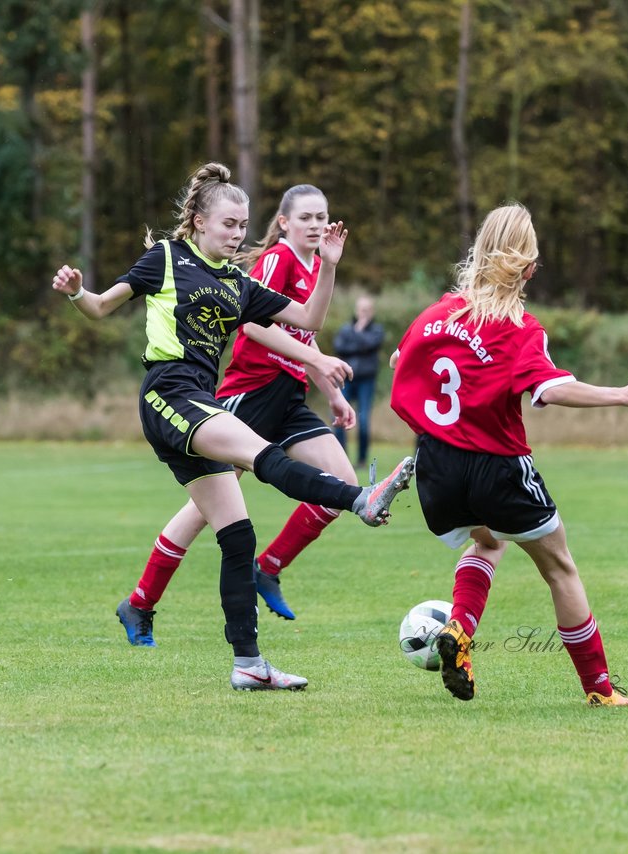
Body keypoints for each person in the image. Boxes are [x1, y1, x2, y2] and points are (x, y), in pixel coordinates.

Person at [52, 162, 414, 691]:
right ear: (198, 221)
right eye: (228, 224)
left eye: (244, 225)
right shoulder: (166, 258)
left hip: (199, 399)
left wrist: (331, 267)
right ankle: (359, 499)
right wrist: (76, 291)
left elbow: (310, 321)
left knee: (238, 536)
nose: (238, 233)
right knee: (263, 456)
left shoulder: (237, 281)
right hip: (169, 394)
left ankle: (247, 664)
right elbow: (101, 307)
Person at [388, 202, 628, 707]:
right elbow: (552, 389)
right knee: (560, 567)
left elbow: (402, 361)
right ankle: (600, 690)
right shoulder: (520, 329)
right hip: (496, 466)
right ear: (529, 267)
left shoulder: (433, 316)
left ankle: (460, 633)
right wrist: (622, 393)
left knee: (489, 543)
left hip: (438, 468)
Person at [332, 294, 384, 464]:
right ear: (356, 310)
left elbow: (372, 344)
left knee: (363, 419)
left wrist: (358, 333)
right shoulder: (346, 329)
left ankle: (361, 459)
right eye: (362, 309)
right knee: (340, 417)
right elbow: (339, 347)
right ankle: (342, 457)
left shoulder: (377, 330)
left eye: (367, 310)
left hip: (366, 381)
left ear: (372, 311)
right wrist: (360, 342)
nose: (364, 313)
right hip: (346, 380)